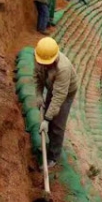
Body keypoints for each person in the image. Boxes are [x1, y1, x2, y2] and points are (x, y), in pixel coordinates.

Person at [34, 37, 78, 168]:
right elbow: (37, 76)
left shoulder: (63, 68)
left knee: (57, 124)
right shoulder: (38, 56)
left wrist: (46, 120)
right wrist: (38, 94)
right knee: (48, 109)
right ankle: (48, 143)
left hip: (66, 92)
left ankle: (53, 156)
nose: (43, 64)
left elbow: (59, 96)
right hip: (51, 85)